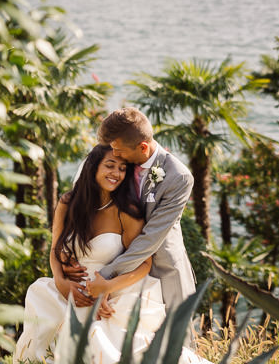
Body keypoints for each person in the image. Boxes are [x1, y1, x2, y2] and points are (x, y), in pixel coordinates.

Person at [13, 145, 209, 363]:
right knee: (40, 293)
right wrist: (61, 282)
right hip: (72, 290)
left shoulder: (126, 211)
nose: (116, 173)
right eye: (110, 165)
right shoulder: (67, 204)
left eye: (122, 168)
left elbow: (144, 264)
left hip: (116, 292)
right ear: (93, 167)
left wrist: (107, 287)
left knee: (103, 346)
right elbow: (55, 250)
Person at [64, 107, 196, 315]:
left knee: (174, 339)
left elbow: (151, 238)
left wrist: (105, 278)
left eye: (119, 151)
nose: (114, 154)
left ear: (143, 147)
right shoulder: (119, 160)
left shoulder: (178, 177)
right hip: (111, 258)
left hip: (162, 268)